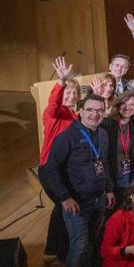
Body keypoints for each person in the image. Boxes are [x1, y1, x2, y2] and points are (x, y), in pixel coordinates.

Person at [43, 94, 115, 267]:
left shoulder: (103, 134)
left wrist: (109, 189)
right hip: (77, 202)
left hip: (99, 199)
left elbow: (104, 164)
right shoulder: (66, 137)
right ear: (80, 111)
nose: (95, 114)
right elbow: (51, 169)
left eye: (99, 110)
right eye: (90, 110)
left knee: (93, 240)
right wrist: (64, 197)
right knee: (80, 245)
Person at [38, 57, 81, 260]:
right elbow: (54, 104)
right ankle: (63, 252)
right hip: (50, 170)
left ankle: (55, 249)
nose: (71, 95)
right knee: (66, 206)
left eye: (74, 93)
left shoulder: (75, 116)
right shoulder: (53, 114)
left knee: (62, 207)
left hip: (68, 170)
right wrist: (61, 81)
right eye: (68, 92)